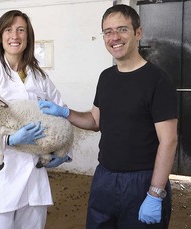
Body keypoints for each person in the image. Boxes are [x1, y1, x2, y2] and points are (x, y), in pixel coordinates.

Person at [39, 4, 178, 228]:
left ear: (138, 33)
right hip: (104, 178)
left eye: (122, 29)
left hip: (141, 181)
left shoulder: (157, 80)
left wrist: (155, 192)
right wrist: (65, 113)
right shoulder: (106, 78)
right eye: (108, 32)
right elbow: (95, 121)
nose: (115, 37)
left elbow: (169, 141)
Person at [0, 10, 72, 229]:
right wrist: (7, 141)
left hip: (34, 176)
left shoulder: (40, 77)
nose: (15, 35)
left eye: (21, 30)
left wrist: (65, 152)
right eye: (9, 29)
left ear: (28, 37)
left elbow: (62, 112)